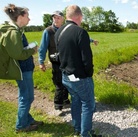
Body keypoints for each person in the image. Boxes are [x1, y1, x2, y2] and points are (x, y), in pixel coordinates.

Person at [55, 5, 100, 137]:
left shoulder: (59, 31)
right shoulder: (81, 32)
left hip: (65, 76)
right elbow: (87, 58)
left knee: (76, 100)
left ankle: (77, 128)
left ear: (67, 16)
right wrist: (88, 74)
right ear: (79, 16)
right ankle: (85, 133)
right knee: (88, 104)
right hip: (79, 77)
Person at [0, 4, 43, 132]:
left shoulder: (16, 30)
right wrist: (32, 51)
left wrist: (27, 50)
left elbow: (17, 50)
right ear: (20, 17)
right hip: (22, 70)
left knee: (27, 96)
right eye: (27, 16)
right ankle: (21, 126)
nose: (29, 19)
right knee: (27, 97)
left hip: (23, 69)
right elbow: (17, 54)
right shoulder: (13, 32)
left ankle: (27, 120)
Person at [38, 10, 70, 110]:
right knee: (59, 82)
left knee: (68, 80)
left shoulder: (67, 29)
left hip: (67, 60)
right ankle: (58, 104)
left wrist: (90, 40)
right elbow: (43, 48)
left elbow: (76, 38)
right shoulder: (48, 31)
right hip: (56, 61)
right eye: (54, 17)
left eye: (58, 17)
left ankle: (65, 99)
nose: (56, 19)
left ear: (63, 18)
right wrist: (41, 61)